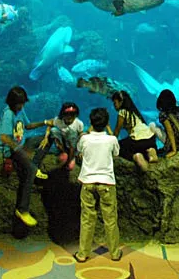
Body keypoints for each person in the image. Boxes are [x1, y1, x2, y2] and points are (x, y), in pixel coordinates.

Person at [0, 86, 51, 227]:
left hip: (22, 144)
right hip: (12, 150)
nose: (21, 106)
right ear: (12, 102)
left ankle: (35, 165)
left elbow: (28, 126)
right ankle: (22, 209)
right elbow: (4, 138)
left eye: (22, 103)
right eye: (19, 104)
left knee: (49, 137)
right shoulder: (8, 114)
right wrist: (21, 151)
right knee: (30, 171)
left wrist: (45, 122)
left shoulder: (20, 110)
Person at [74, 107, 121, 263]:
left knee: (87, 219)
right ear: (107, 123)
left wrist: (89, 130)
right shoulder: (111, 140)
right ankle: (114, 253)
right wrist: (109, 129)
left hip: (87, 182)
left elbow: (79, 149)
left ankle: (82, 254)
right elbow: (116, 154)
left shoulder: (84, 139)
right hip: (107, 183)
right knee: (110, 219)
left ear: (90, 122)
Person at [112, 90, 158, 172]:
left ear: (121, 102)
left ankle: (136, 156)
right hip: (151, 139)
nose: (114, 105)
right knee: (143, 146)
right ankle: (151, 151)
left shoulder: (122, 112)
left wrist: (112, 145)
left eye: (115, 103)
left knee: (120, 147)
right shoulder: (133, 110)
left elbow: (116, 131)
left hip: (137, 141)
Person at [42, 102, 85, 170]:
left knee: (70, 166)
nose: (69, 117)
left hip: (73, 145)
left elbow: (81, 134)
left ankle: (71, 157)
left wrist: (82, 149)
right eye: (67, 114)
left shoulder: (79, 123)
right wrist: (46, 138)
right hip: (63, 142)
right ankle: (63, 151)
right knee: (54, 130)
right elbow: (50, 125)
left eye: (72, 115)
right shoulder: (58, 120)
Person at [157, 89, 179, 158]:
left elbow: (170, 132)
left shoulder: (163, 114)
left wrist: (174, 150)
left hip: (176, 143)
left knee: (152, 125)